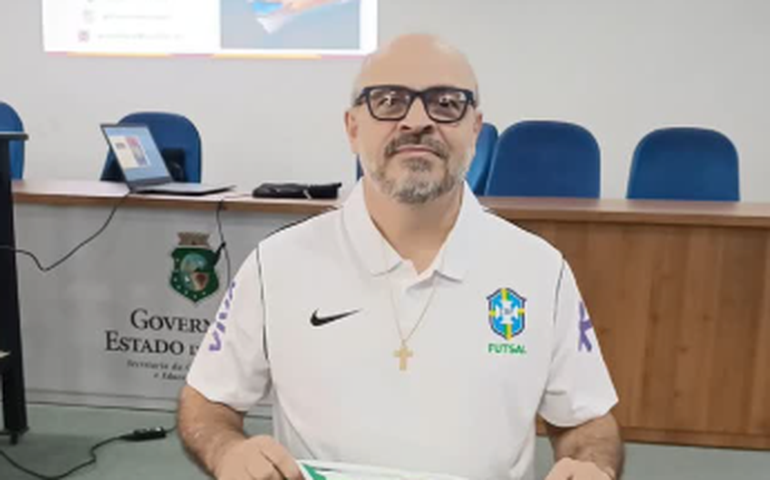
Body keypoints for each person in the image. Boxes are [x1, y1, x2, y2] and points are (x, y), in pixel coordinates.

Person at [178, 34, 624, 480]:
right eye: (389, 101)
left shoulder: (540, 269)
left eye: (445, 103)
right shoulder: (276, 265)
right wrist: (226, 451)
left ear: (474, 129)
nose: (417, 120)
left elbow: (586, 420)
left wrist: (592, 466)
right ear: (353, 128)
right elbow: (207, 401)